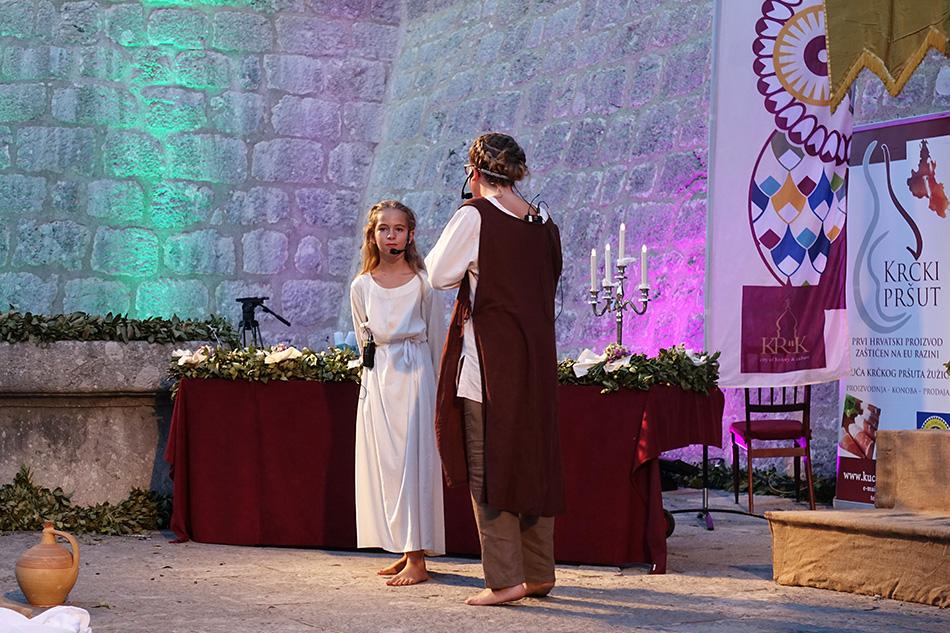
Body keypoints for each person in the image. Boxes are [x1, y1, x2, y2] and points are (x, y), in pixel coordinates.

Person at [425, 132, 564, 606]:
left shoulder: (476, 215)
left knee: (490, 466)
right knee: (531, 461)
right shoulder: (543, 221)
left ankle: (504, 580)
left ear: (474, 172)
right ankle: (539, 574)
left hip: (490, 365)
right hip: (535, 363)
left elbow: (439, 273)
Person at [350, 200, 445, 586]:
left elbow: (436, 337)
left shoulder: (424, 283)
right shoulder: (361, 286)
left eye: (398, 229)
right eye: (383, 229)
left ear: (411, 235)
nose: (391, 235)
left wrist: (436, 388)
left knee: (412, 462)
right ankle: (405, 549)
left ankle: (418, 557)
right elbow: (363, 339)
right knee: (387, 463)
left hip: (415, 374)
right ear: (372, 235)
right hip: (379, 378)